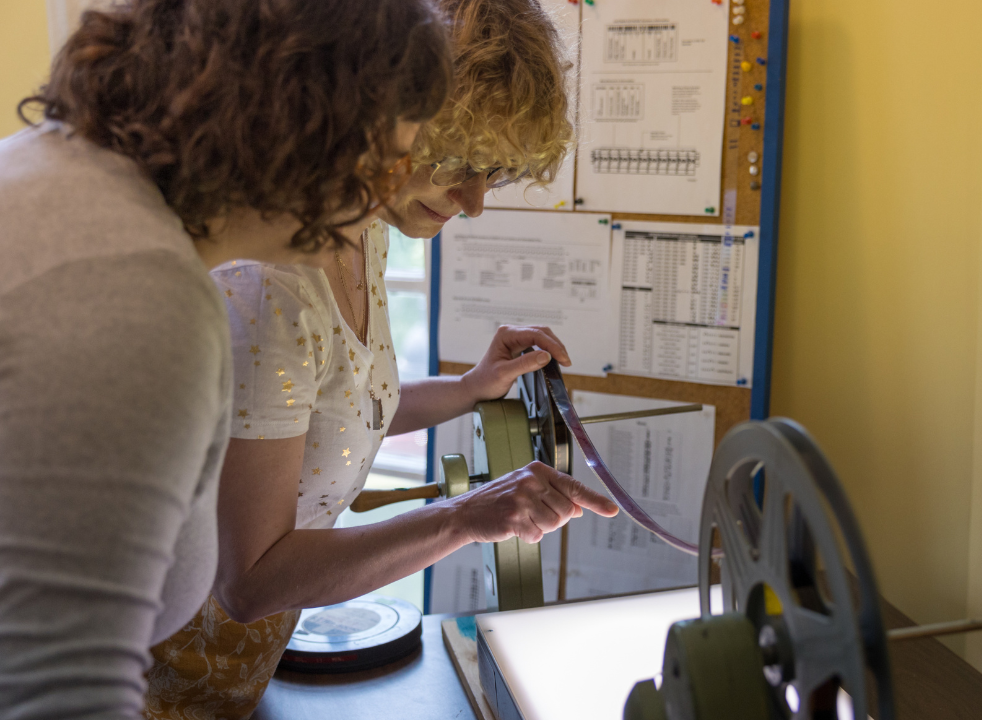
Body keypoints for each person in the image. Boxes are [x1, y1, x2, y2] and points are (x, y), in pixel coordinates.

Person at [140, 0, 616, 717]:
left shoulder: (364, 231)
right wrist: (464, 517)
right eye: (458, 164)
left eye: (492, 171)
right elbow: (252, 581)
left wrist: (470, 388)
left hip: (233, 682)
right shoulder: (272, 284)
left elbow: (334, 413)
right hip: (144, 683)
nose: (475, 201)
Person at [0, 1, 451, 718]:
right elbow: (60, 693)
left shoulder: (65, 177)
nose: (390, 192)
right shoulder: (138, 289)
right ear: (298, 121)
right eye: (387, 159)